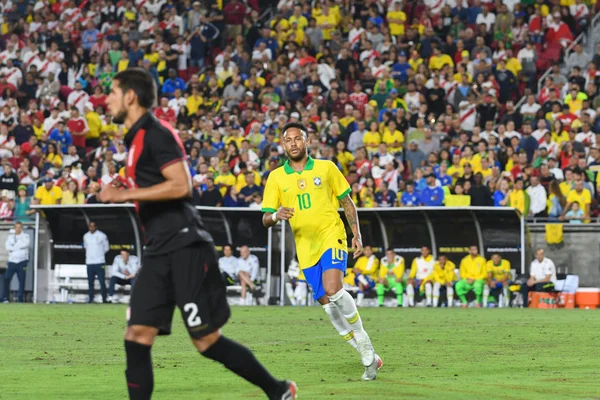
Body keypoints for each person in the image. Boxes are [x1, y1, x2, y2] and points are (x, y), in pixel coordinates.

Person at [98, 68, 296, 400]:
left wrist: (124, 194)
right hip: (158, 249)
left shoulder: (156, 133)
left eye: (113, 92)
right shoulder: (134, 141)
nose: (107, 100)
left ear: (130, 96)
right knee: (136, 335)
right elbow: (151, 181)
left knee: (206, 341)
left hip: (186, 245)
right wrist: (124, 184)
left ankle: (278, 390)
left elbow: (180, 184)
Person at [261, 122, 382, 381]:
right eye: (288, 139)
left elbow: (347, 202)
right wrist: (275, 216)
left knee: (333, 289)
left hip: (332, 235)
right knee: (327, 305)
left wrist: (356, 234)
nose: (293, 143)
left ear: (307, 142)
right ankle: (366, 353)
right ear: (283, 145)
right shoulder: (276, 177)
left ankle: (363, 341)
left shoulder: (326, 168)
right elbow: (265, 218)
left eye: (298, 138)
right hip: (305, 246)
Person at [1, 222, 30, 303]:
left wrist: (13, 247)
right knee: (6, 278)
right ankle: (5, 298)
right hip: (12, 261)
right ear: (14, 228)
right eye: (16, 227)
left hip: (22, 261)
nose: (18, 229)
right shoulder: (10, 236)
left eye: (19, 227)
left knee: (22, 281)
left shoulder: (26, 236)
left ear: (21, 228)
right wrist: (16, 247)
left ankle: (20, 299)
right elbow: (7, 247)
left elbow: (25, 244)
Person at [83, 221, 109, 303]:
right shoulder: (86, 236)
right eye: (90, 226)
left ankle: (104, 299)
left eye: (93, 226)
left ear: (96, 227)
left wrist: (99, 255)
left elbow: (106, 248)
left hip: (100, 262)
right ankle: (91, 299)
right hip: (89, 263)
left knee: (102, 281)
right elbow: (86, 247)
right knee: (90, 282)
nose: (91, 228)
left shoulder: (102, 235)